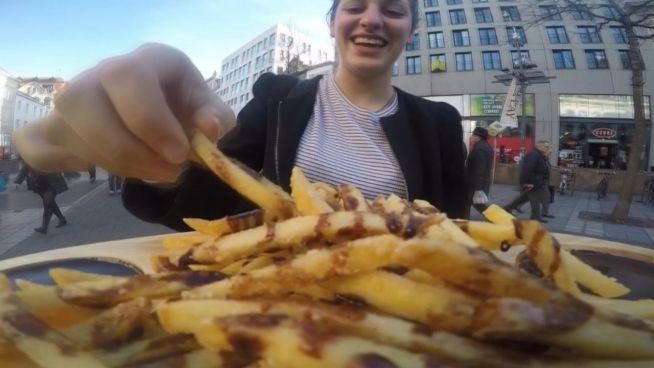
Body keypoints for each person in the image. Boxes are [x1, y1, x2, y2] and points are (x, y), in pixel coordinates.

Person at [13, 0, 466, 231]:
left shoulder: (440, 123)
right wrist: (164, 155)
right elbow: (205, 200)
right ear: (332, 23)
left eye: (392, 10)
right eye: (354, 7)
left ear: (412, 30)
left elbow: (457, 233)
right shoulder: (278, 98)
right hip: (273, 312)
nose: (371, 19)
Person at [505, 141, 553, 222]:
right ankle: (535, 217)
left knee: (523, 198)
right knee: (535, 200)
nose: (548, 148)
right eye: (546, 146)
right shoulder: (533, 155)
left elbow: (543, 168)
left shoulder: (539, 155)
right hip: (532, 182)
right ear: (540, 146)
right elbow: (527, 170)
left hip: (537, 182)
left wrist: (546, 156)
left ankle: (507, 208)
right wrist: (529, 182)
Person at [14, 162, 68, 234]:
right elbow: (25, 167)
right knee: (50, 203)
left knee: (47, 202)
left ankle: (44, 227)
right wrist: (18, 181)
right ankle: (62, 219)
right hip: (38, 183)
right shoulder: (31, 154)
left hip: (53, 181)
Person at [465, 127, 493, 217]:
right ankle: (495, 218)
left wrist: (478, 189)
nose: (471, 137)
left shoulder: (479, 149)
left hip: (474, 183)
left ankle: (464, 222)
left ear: (478, 137)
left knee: (467, 203)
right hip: (478, 182)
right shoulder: (486, 146)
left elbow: (479, 169)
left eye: (472, 135)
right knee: (476, 204)